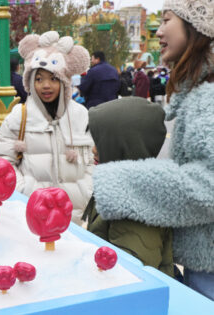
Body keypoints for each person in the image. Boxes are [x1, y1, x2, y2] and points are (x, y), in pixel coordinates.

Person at [91, 0, 214, 300]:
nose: (159, 32)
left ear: (196, 27)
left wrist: (117, 179)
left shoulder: (208, 98)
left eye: (167, 20)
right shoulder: (199, 93)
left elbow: (208, 186)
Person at [0, 31, 94, 225]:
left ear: (64, 81)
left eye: (53, 78)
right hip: (30, 216)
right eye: (39, 79)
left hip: (73, 217)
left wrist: (84, 190)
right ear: (30, 81)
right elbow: (1, 164)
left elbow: (90, 160)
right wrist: (26, 191)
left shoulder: (81, 115)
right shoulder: (19, 116)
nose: (46, 86)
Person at [83, 97, 173, 277]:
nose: (93, 150)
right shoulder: (122, 188)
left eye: (101, 143)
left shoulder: (134, 208)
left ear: (125, 145)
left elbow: (127, 276)